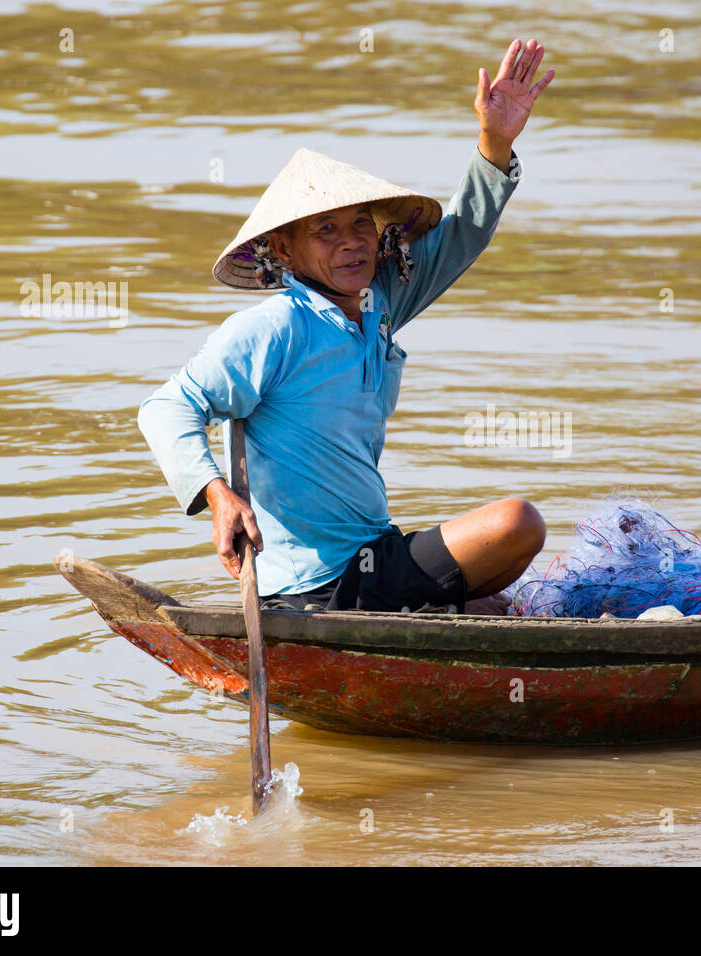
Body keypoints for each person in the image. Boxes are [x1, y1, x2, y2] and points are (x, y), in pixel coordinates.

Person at [138, 40, 554, 614]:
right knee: (517, 521)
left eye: (360, 223)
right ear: (284, 249)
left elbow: (461, 235)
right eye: (326, 230)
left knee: (509, 610)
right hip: (317, 582)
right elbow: (166, 406)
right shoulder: (274, 327)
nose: (352, 240)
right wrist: (219, 496)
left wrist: (496, 141)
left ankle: (438, 617)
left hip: (374, 556)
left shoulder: (379, 302)